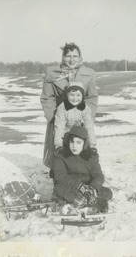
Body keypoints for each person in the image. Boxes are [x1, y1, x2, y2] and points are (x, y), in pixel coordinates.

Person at [40, 42, 98, 175]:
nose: (71, 59)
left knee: (80, 148)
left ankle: (82, 177)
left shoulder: (89, 74)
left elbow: (92, 98)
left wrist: (86, 116)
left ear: (80, 58)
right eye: (68, 56)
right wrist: (54, 118)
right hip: (60, 119)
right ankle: (58, 178)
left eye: (75, 56)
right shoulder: (52, 73)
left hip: (81, 119)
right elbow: (47, 98)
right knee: (60, 148)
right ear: (63, 57)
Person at [53, 126, 113, 213]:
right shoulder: (61, 155)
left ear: (84, 143)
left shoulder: (91, 156)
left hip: (87, 186)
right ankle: (86, 203)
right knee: (60, 190)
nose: (74, 146)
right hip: (70, 186)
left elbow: (98, 176)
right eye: (72, 142)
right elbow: (60, 176)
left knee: (108, 193)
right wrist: (78, 186)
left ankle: (84, 201)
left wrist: (93, 187)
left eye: (78, 142)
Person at [54, 81, 96, 152]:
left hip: (80, 135)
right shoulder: (62, 108)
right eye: (72, 95)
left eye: (78, 95)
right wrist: (59, 144)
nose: (75, 98)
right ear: (67, 95)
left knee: (83, 151)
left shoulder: (85, 108)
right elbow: (59, 126)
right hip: (67, 135)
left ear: (82, 96)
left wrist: (92, 143)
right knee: (67, 153)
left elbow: (89, 126)